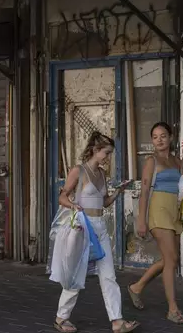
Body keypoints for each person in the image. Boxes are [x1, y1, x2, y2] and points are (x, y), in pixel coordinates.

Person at [54, 132, 139, 333]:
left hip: (100, 226)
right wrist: (73, 205)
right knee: (76, 274)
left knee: (108, 275)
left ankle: (117, 321)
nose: (108, 158)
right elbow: (62, 197)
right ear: (95, 150)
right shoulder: (78, 171)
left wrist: (119, 191)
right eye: (106, 153)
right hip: (83, 227)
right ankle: (61, 317)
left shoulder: (101, 174)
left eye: (110, 154)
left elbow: (105, 202)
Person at [127, 122, 183, 324]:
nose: (159, 140)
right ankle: (173, 310)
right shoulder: (151, 161)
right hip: (158, 209)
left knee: (170, 259)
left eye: (163, 135)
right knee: (171, 259)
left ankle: (137, 287)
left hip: (175, 210)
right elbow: (145, 191)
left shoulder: (177, 161)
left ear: (170, 137)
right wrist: (141, 220)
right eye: (155, 137)